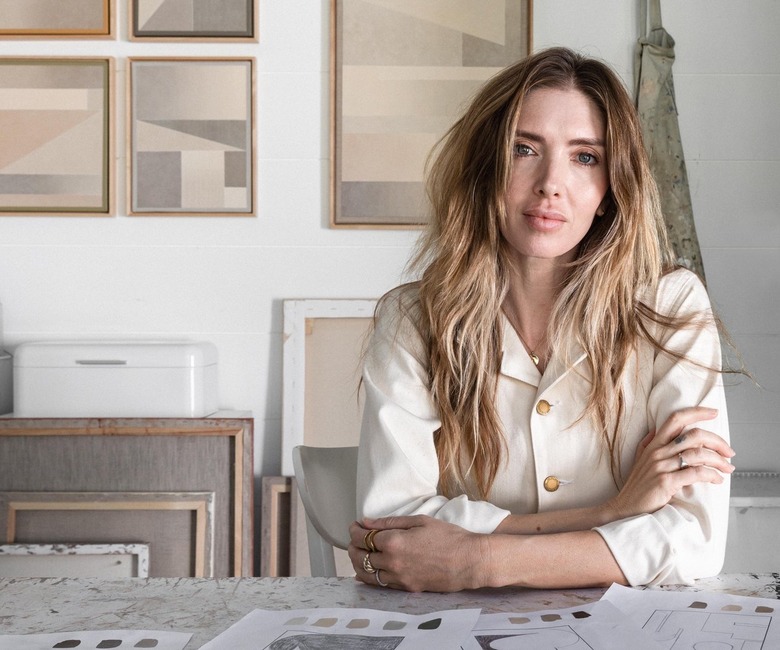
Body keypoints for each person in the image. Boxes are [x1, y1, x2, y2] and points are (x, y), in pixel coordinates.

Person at [347, 47, 735, 593]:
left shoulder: (669, 308)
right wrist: (612, 512)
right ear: (487, 169)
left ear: (609, 190)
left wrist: (479, 561)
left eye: (585, 157)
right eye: (524, 149)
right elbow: (396, 532)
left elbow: (694, 538)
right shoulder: (412, 320)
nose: (551, 183)